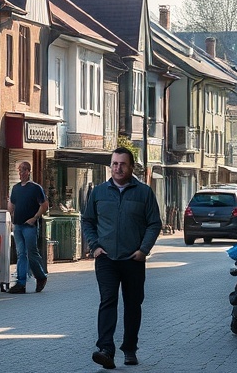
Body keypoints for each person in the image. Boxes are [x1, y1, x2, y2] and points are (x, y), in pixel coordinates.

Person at [81, 147, 162, 368]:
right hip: (106, 258)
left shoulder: (144, 193)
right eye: (114, 164)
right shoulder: (98, 192)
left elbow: (155, 223)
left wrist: (143, 250)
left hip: (133, 259)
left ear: (131, 167)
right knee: (108, 300)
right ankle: (105, 349)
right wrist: (95, 246)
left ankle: (129, 349)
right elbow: (87, 221)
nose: (117, 168)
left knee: (133, 304)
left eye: (122, 164)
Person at [7, 160, 49, 294]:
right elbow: (11, 205)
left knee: (32, 254)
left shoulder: (35, 188)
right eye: (19, 170)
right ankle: (21, 283)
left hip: (29, 226)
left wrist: (35, 218)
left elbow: (44, 204)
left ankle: (41, 277)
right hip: (18, 226)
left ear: (29, 172)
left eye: (24, 170)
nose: (21, 173)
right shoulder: (16, 188)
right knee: (21, 254)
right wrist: (9, 217)